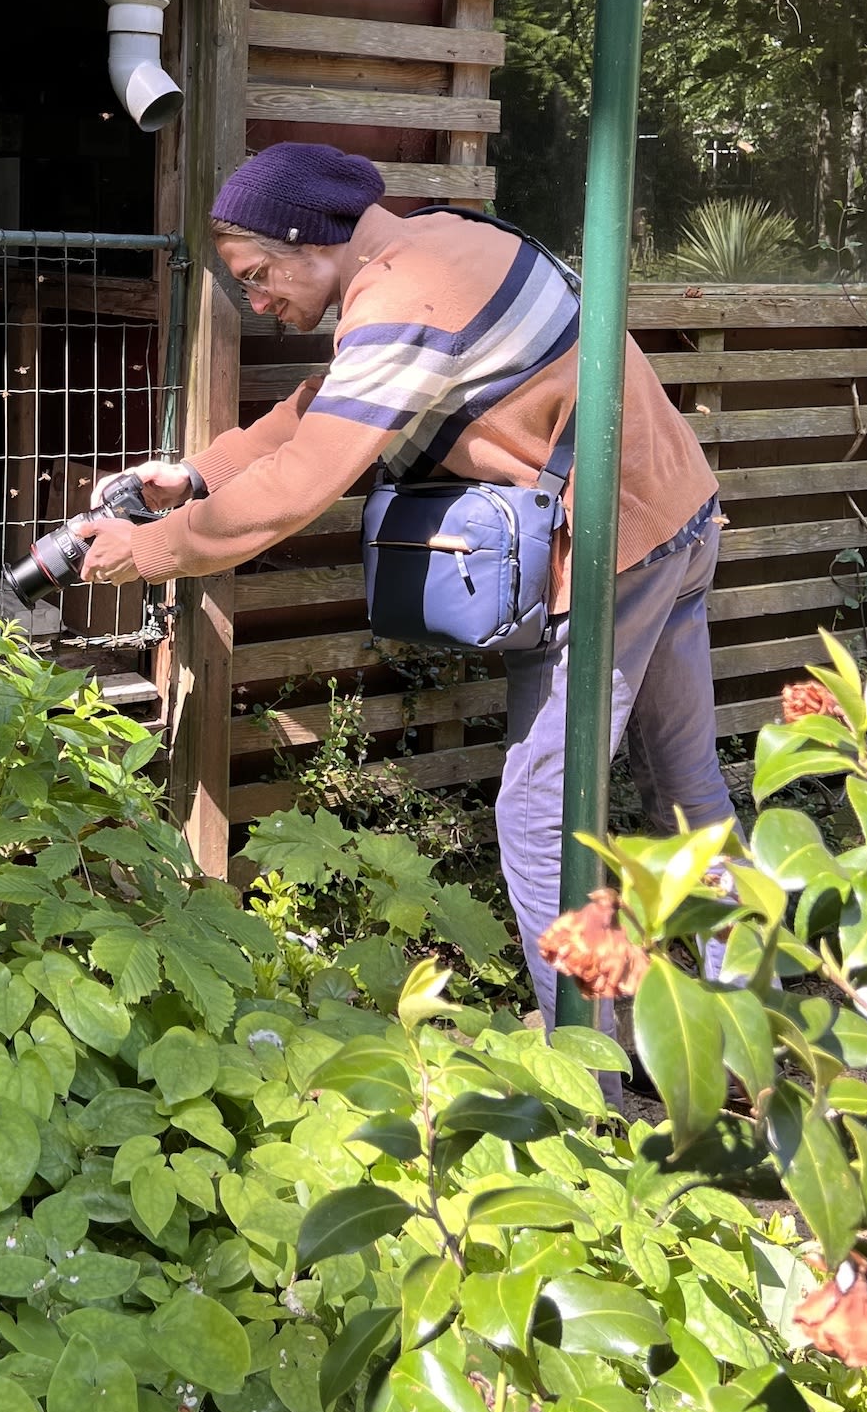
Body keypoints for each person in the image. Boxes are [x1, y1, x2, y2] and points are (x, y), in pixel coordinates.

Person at [80, 141, 730, 1024]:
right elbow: (323, 406)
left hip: (614, 551)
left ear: (317, 238)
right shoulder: (438, 241)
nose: (260, 302)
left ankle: (598, 1081)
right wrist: (197, 476)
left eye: (260, 274)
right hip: (678, 517)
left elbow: (299, 487)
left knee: (541, 824)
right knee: (687, 792)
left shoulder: (401, 299)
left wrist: (150, 551)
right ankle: (752, 1030)